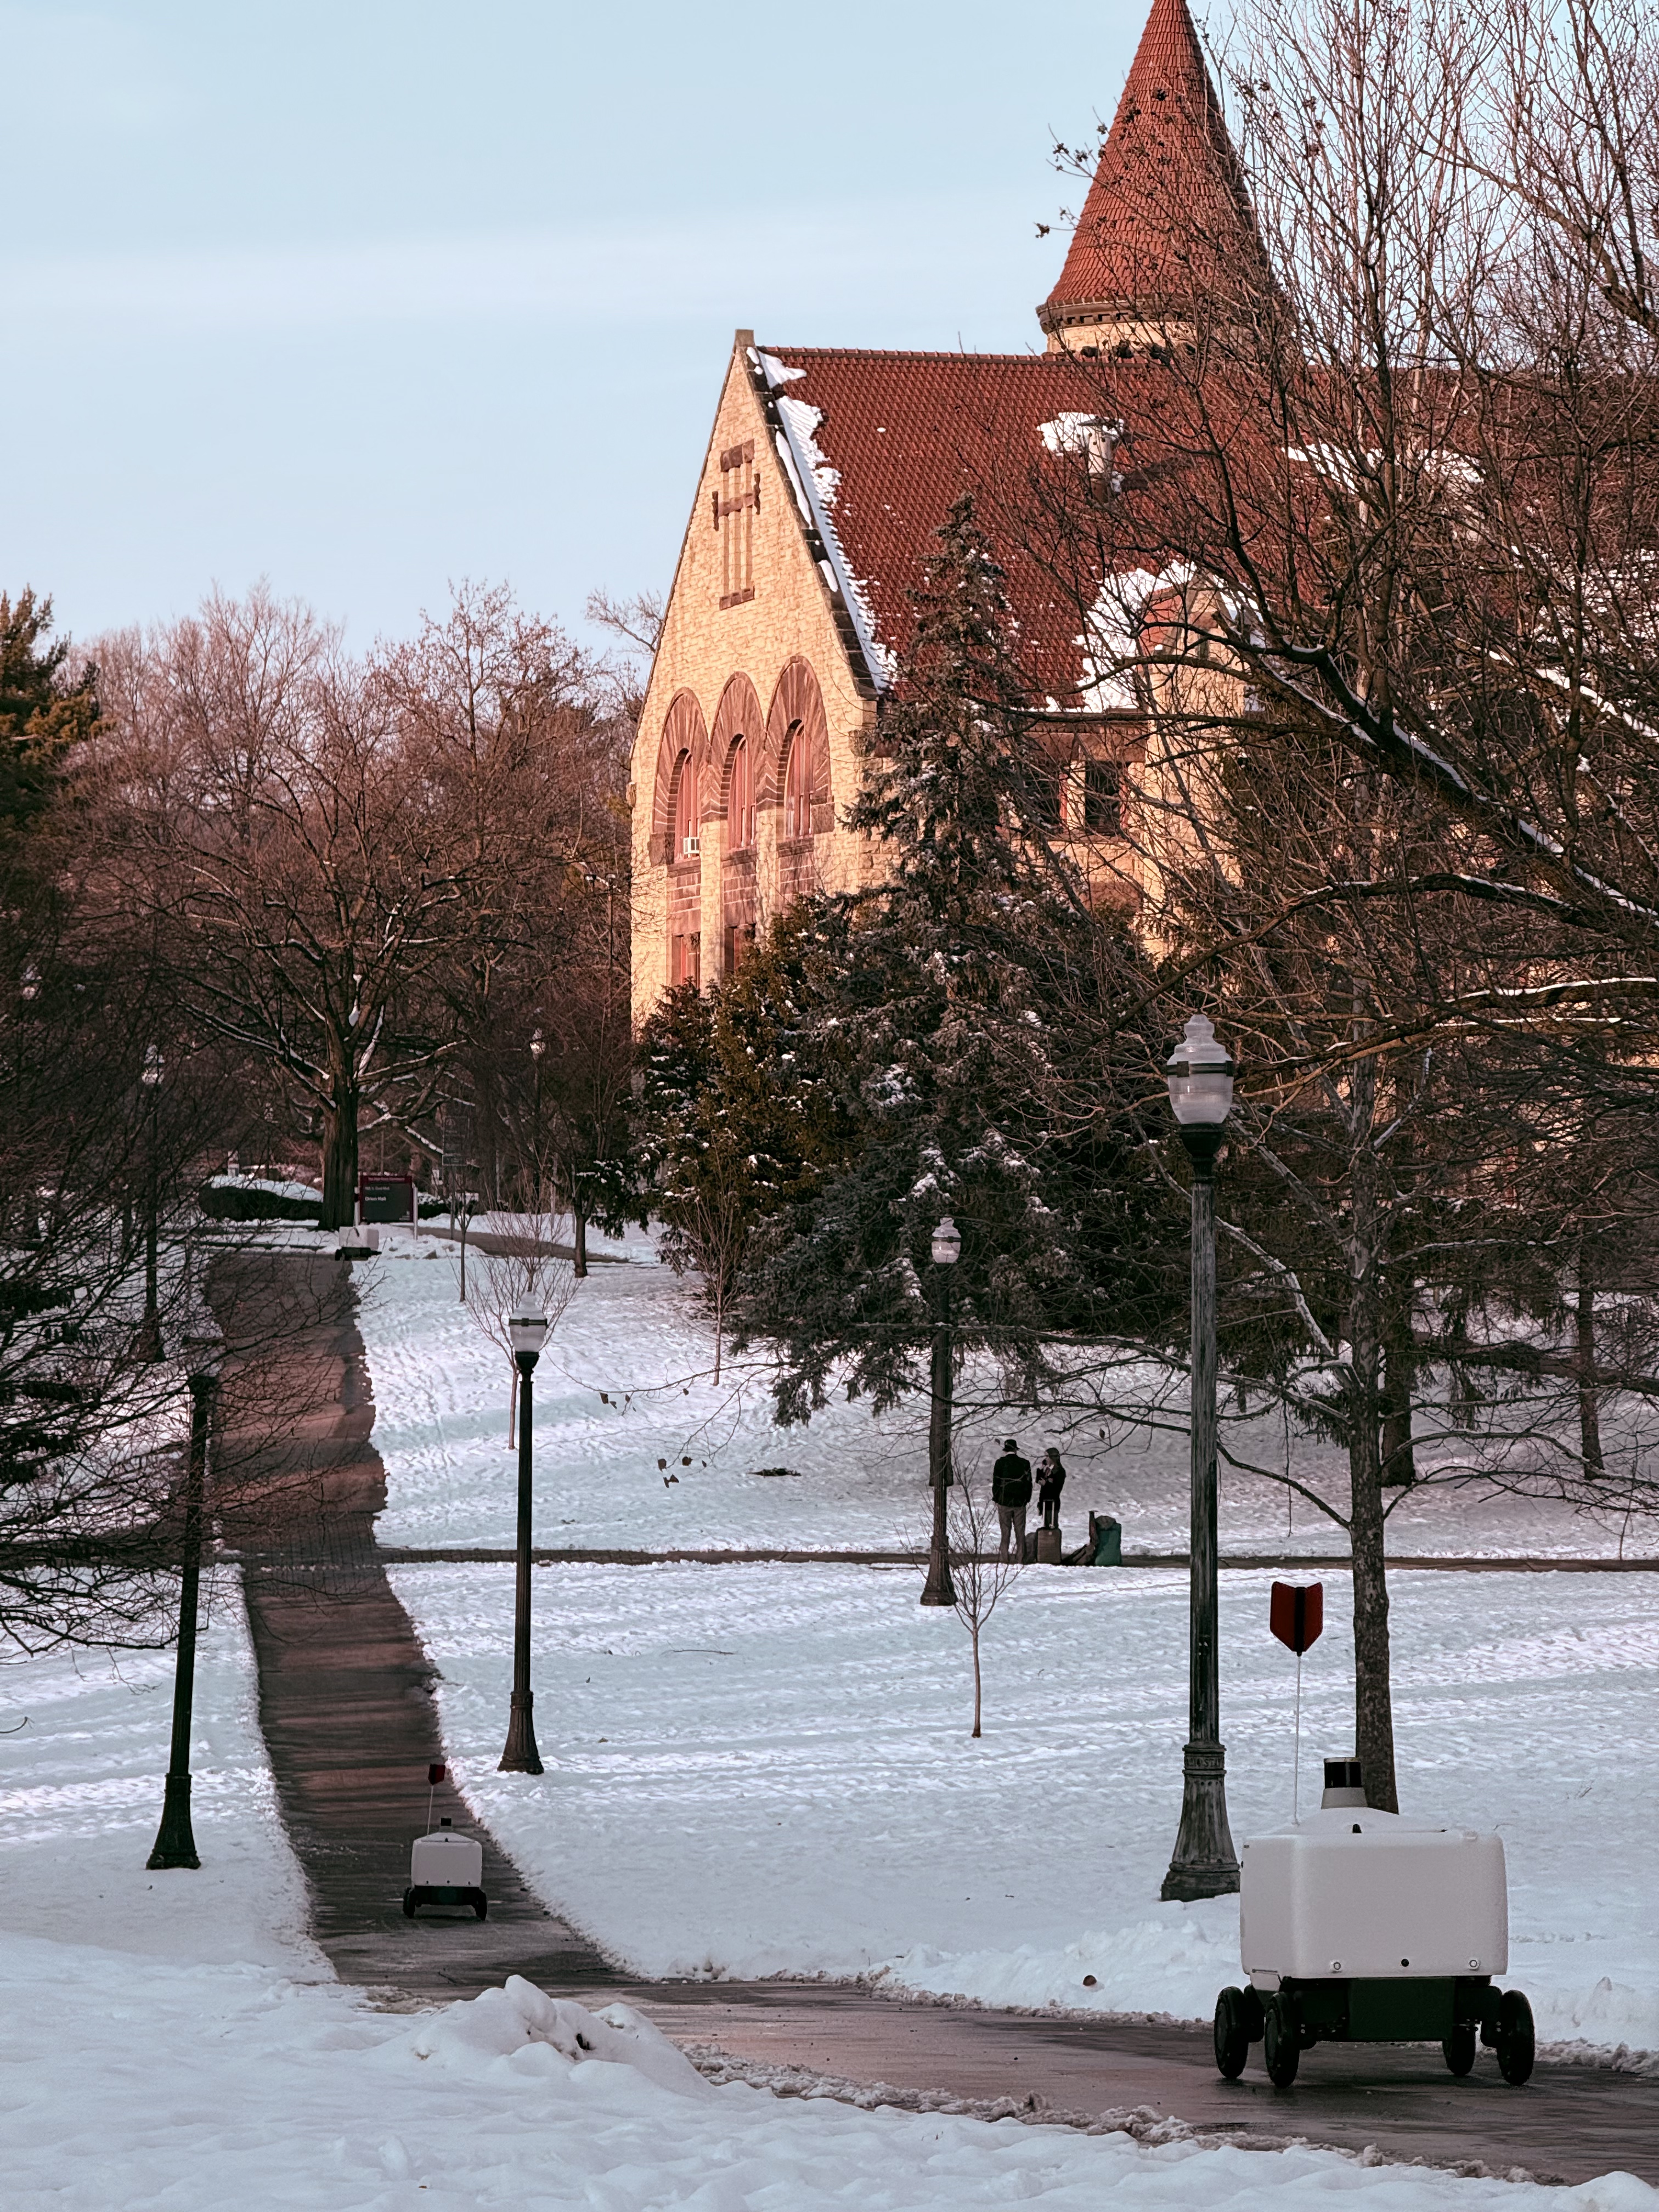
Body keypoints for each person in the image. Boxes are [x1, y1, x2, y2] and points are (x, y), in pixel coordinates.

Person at [991, 1438, 1032, 1560]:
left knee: (1005, 1532)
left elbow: (996, 1483)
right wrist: (1026, 1499)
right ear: (1015, 1450)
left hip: (1004, 1502)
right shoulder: (1025, 1463)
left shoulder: (1000, 1463)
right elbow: (1028, 1484)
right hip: (1020, 1503)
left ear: (1006, 1450)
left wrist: (998, 1499)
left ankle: (1004, 1557)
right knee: (1020, 1532)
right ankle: (1021, 1556)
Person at [1036, 1447, 1067, 1532]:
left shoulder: (1060, 1471)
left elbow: (1057, 1487)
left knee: (1052, 1525)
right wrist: (1041, 1467)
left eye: (1047, 1456)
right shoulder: (1046, 1469)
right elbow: (1038, 1480)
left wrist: (1046, 1482)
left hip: (1052, 1501)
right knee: (1045, 1525)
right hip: (1044, 1501)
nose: (1046, 1458)